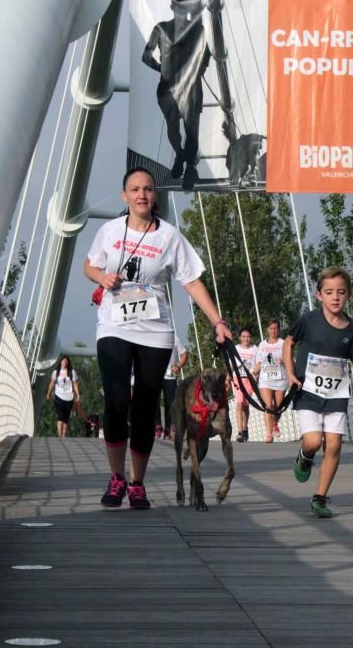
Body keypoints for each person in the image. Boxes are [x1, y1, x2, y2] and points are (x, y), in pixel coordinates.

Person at [83, 166, 231, 510]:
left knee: (146, 405)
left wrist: (216, 321)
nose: (142, 195)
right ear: (124, 196)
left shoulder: (169, 237)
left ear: (155, 196)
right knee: (117, 400)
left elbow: (191, 280)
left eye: (148, 189)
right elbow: (89, 265)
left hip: (155, 329)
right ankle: (116, 478)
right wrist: (100, 277)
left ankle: (137, 484)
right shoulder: (108, 230)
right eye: (134, 189)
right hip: (114, 324)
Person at [285, 268, 353, 518]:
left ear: (348, 295)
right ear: (319, 295)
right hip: (308, 391)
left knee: (334, 445)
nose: (335, 297)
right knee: (314, 441)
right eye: (329, 292)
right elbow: (288, 342)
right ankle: (305, 454)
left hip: (336, 395)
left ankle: (320, 498)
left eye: (341, 292)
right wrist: (290, 373)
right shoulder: (309, 321)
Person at [141, 0, 211, 191]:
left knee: (188, 129)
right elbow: (146, 56)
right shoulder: (163, 29)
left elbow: (205, 56)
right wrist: (162, 69)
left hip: (186, 85)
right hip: (173, 86)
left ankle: (188, 166)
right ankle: (181, 156)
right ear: (173, 8)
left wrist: (195, 72)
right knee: (179, 129)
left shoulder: (196, 30)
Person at [254, 319, 288, 443]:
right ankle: (269, 434)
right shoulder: (262, 345)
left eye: (275, 328)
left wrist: (283, 361)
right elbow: (258, 362)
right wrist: (254, 374)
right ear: (267, 330)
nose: (273, 331)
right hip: (265, 379)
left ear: (278, 330)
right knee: (268, 406)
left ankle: (274, 424)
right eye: (271, 328)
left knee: (278, 407)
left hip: (280, 378)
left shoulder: (284, 343)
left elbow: (291, 361)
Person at [154, 338, 188, 440]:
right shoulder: (152, 335)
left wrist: (178, 365)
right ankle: (157, 426)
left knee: (170, 403)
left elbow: (184, 354)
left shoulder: (175, 338)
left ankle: (169, 429)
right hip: (155, 374)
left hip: (170, 375)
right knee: (154, 400)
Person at [233, 327, 258, 443]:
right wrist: (228, 378)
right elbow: (231, 364)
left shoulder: (254, 349)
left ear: (250, 338)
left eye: (247, 337)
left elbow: (258, 364)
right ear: (240, 338)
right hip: (237, 378)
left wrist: (255, 375)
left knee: (245, 405)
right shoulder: (235, 348)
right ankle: (239, 431)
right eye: (243, 337)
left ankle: (245, 427)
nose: (246, 339)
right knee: (239, 403)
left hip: (249, 379)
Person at [46, 356, 79, 438]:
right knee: (60, 416)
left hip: (69, 397)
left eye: (66, 360)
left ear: (68, 363)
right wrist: (48, 393)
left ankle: (63, 436)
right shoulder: (56, 372)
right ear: (60, 362)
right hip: (58, 396)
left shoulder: (72, 372)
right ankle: (59, 436)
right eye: (63, 360)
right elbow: (52, 383)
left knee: (65, 418)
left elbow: (75, 384)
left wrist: (78, 395)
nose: (64, 362)